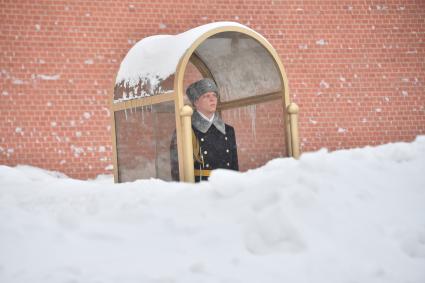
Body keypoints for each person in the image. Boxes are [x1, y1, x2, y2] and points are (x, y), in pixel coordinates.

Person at [170, 78, 238, 182]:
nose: (212, 99)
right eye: (206, 96)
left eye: (214, 95)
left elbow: (234, 167)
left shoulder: (228, 130)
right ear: (196, 102)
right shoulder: (186, 130)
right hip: (201, 189)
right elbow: (177, 168)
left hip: (227, 186)